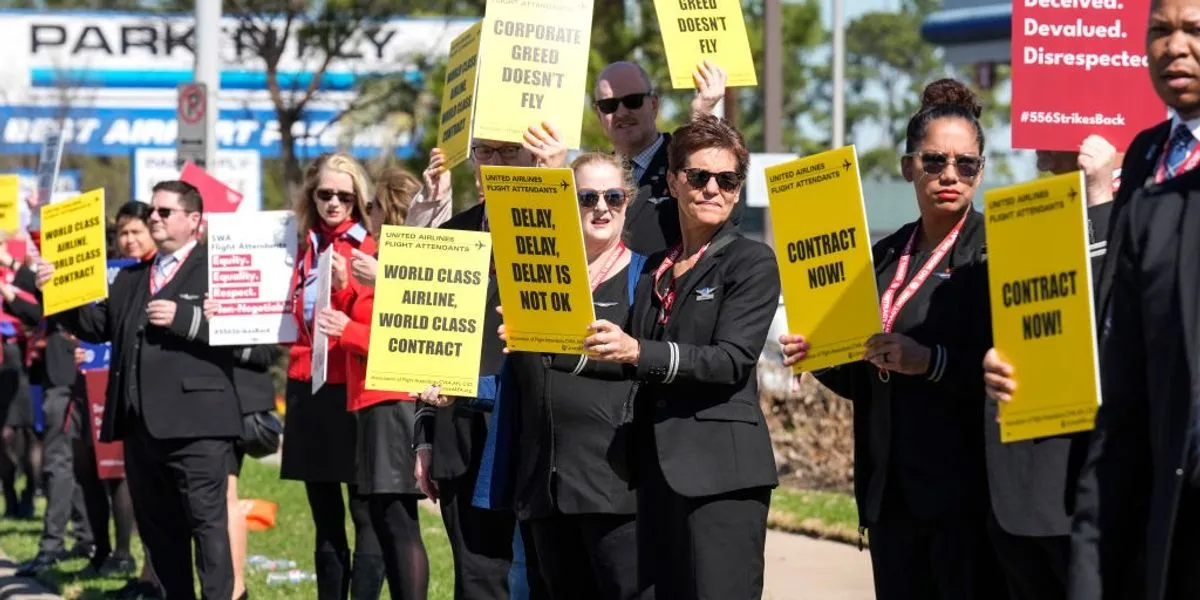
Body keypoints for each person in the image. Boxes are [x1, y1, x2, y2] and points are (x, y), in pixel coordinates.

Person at [780, 80, 999, 599]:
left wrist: (932, 361)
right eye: (934, 161)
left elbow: (1013, 369)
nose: (950, 175)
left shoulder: (996, 248)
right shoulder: (884, 255)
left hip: (966, 498)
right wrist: (820, 357)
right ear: (908, 168)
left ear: (980, 172)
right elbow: (870, 376)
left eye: (965, 164)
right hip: (890, 495)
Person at [577, 114, 779, 599]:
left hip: (722, 479)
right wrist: (534, 333)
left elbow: (730, 360)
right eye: (698, 176)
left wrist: (640, 351)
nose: (713, 188)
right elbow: (615, 349)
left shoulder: (751, 262)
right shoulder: (655, 268)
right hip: (654, 475)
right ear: (672, 181)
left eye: (727, 179)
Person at [39, 180, 241, 600]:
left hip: (198, 428)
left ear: (194, 220)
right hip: (141, 429)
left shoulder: (220, 266)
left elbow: (250, 341)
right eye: (153, 210)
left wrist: (186, 317)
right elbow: (95, 327)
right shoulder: (132, 278)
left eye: (165, 211)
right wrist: (56, 291)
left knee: (208, 530)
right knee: (160, 533)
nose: (154, 217)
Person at [1068, 0, 1200, 597]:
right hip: (1151, 463)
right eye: (1160, 32)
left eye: (1194, 30)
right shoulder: (1147, 157)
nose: (1175, 47)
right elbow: (1117, 318)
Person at [480, 152, 644, 599]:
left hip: (616, 487)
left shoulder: (646, 277)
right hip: (544, 487)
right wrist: (453, 390)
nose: (601, 207)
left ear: (628, 202)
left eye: (614, 196)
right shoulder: (532, 281)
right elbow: (515, 380)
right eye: (586, 197)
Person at [414, 125, 566, 600]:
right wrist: (424, 436)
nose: (494, 162)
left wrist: (553, 184)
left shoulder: (564, 225)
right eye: (485, 151)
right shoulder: (451, 234)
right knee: (478, 577)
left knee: (547, 573)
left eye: (508, 151)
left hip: (539, 428)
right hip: (462, 431)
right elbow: (424, 345)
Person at [973, 136, 1118, 600]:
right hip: (1021, 494)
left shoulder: (1143, 206)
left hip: (1095, 492)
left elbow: (1115, 319)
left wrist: (1099, 198)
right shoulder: (1025, 218)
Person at [318, 167, 429, 600]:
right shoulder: (372, 250)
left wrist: (346, 328)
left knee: (398, 517)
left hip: (393, 396)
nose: (368, 214)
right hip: (368, 396)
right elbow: (368, 313)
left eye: (374, 206)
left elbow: (405, 336)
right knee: (380, 514)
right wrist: (346, 291)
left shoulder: (407, 258)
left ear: (393, 209)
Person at [280, 152, 382, 600]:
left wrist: (345, 286)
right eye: (325, 194)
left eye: (345, 195)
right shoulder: (300, 247)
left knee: (365, 515)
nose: (334, 203)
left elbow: (380, 322)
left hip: (354, 390)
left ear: (359, 199)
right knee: (324, 517)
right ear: (312, 196)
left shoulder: (372, 249)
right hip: (307, 385)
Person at [71, 203, 152, 591]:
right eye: (123, 233)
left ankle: (128, 555)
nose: (129, 240)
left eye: (137, 231)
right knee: (86, 466)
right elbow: (93, 324)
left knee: (121, 473)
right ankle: (102, 549)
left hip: (136, 390)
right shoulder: (112, 276)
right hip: (88, 381)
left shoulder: (158, 274)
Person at [592, 60, 732, 255]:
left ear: (654, 104)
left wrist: (701, 119)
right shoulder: (589, 179)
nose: (622, 112)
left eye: (633, 101)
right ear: (599, 114)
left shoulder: (685, 162)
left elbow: (723, 223)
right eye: (609, 105)